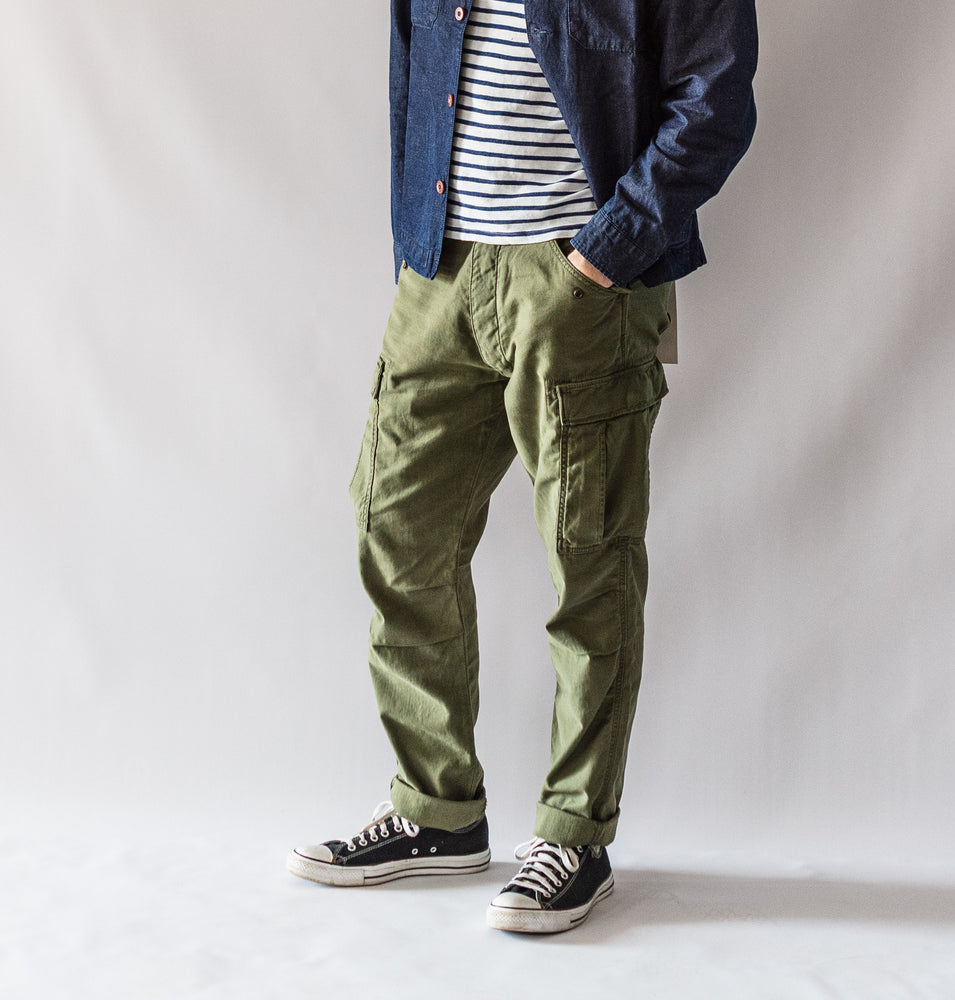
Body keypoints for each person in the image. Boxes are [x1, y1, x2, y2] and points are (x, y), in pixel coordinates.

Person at [288, 0, 758, 934]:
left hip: (577, 274)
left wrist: (604, 254)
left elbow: (716, 99)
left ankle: (576, 834)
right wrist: (415, 246)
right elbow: (412, 68)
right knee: (394, 524)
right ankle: (438, 811)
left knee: (588, 555)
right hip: (442, 266)